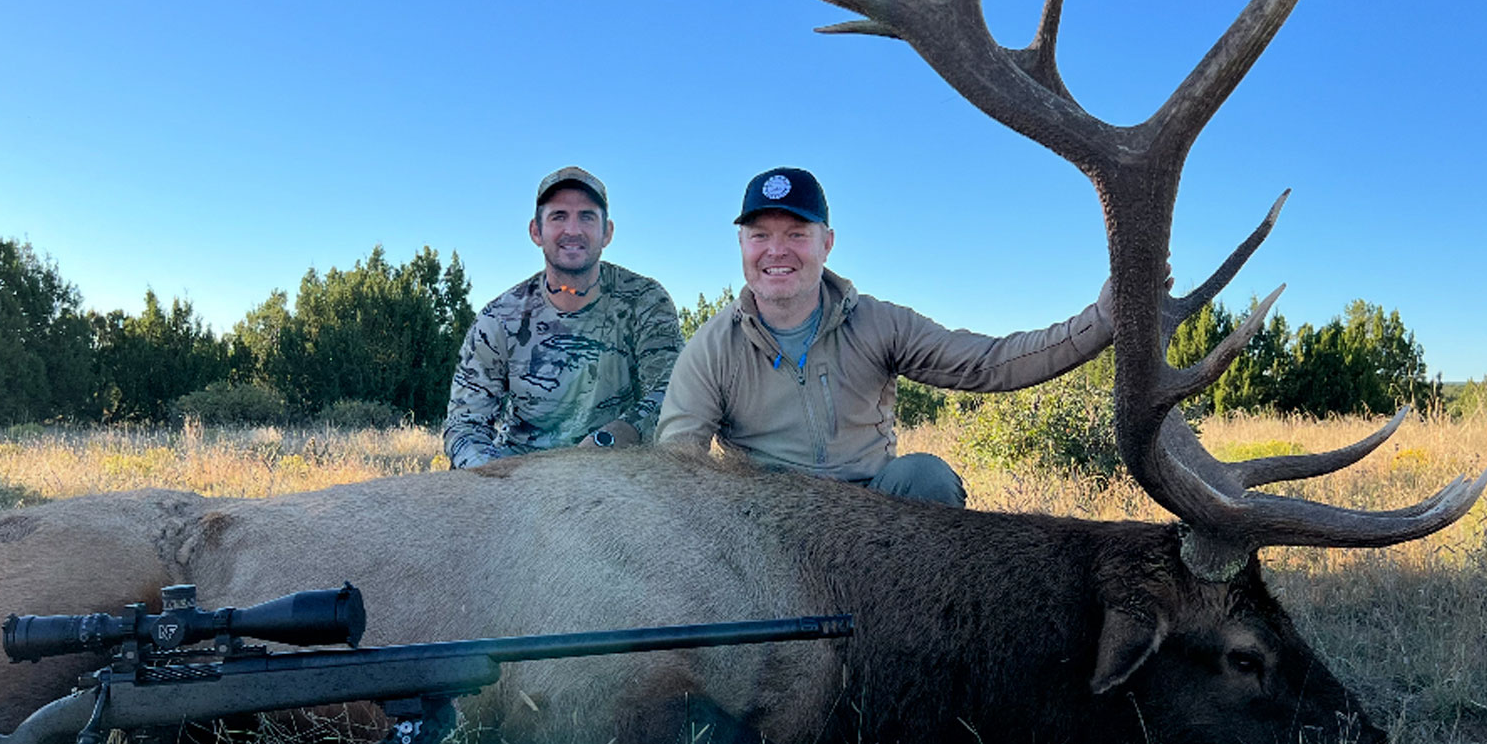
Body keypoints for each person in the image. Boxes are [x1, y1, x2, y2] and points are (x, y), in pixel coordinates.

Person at [656, 166, 1115, 507]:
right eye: (760, 236)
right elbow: (676, 465)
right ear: (741, 244)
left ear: (827, 243)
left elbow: (988, 363)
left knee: (926, 477)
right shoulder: (712, 348)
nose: (777, 251)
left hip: (873, 511)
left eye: (796, 234)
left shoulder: (877, 323)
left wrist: (1100, 322)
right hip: (770, 521)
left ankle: (929, 607)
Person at [445, 166, 683, 468]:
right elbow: (464, 425)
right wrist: (495, 475)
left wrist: (612, 437)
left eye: (587, 216)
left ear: (607, 232)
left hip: (617, 471)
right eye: (558, 216)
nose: (573, 230)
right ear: (536, 231)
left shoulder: (645, 301)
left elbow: (671, 394)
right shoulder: (499, 318)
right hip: (518, 474)